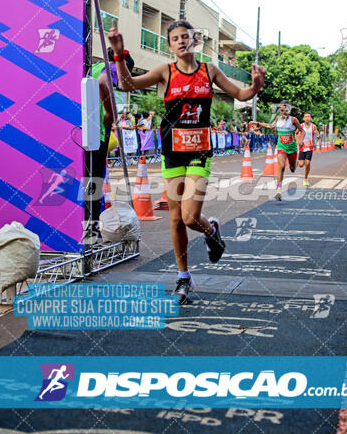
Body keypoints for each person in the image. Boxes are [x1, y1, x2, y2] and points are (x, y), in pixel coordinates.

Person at [107, 19, 265, 305]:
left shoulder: (210, 71)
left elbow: (241, 94)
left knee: (191, 217)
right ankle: (183, 277)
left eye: (185, 36)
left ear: (194, 40)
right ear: (170, 45)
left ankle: (211, 230)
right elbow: (127, 84)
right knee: (176, 219)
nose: (181, 41)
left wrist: (255, 86)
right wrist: (118, 54)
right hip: (172, 152)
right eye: (175, 38)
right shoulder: (165, 72)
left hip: (199, 151)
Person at [87, 37, 134, 242]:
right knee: (95, 182)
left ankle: (88, 227)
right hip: (96, 134)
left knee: (88, 181)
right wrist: (109, 113)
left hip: (84, 131)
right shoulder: (110, 70)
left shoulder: (95, 66)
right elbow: (103, 83)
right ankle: (92, 231)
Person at [258, 101, 304, 201]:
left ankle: (294, 163)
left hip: (291, 148)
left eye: (286, 110)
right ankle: (278, 191)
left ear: (289, 110)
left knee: (292, 169)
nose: (283, 112)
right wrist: (258, 123)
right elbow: (271, 126)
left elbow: (302, 130)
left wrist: (300, 140)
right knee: (281, 167)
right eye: (281, 110)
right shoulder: (278, 118)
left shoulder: (293, 119)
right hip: (281, 147)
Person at [297, 111, 320, 186]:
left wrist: (318, 136)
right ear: (303, 118)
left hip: (310, 147)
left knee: (307, 163)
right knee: (301, 164)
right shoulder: (301, 126)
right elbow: (296, 133)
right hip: (302, 147)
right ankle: (300, 162)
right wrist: (298, 140)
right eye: (306, 116)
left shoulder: (314, 126)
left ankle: (305, 178)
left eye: (308, 116)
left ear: (311, 118)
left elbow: (317, 133)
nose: (307, 118)